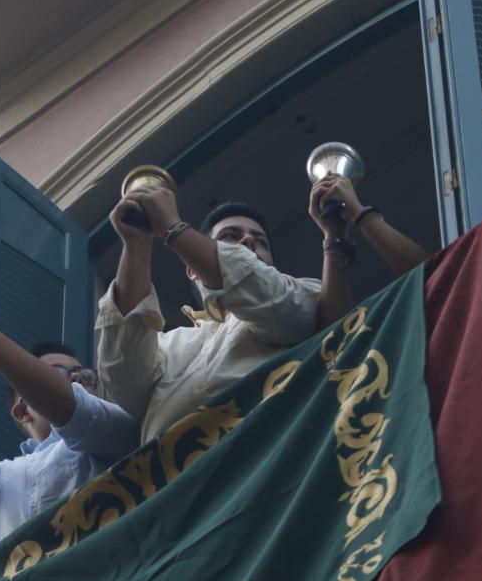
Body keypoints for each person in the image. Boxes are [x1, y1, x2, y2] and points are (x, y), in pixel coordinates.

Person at [96, 174, 428, 442]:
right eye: (230, 236)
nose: (248, 241)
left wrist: (172, 226)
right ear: (191, 268)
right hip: (175, 500)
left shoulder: (305, 293)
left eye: (260, 241)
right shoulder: (174, 343)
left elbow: (274, 302)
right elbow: (125, 380)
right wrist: (136, 244)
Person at [0, 277, 139, 549]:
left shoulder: (119, 427)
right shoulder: (3, 478)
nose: (78, 379)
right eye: (58, 374)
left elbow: (67, 406)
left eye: (85, 375)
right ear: (22, 411)